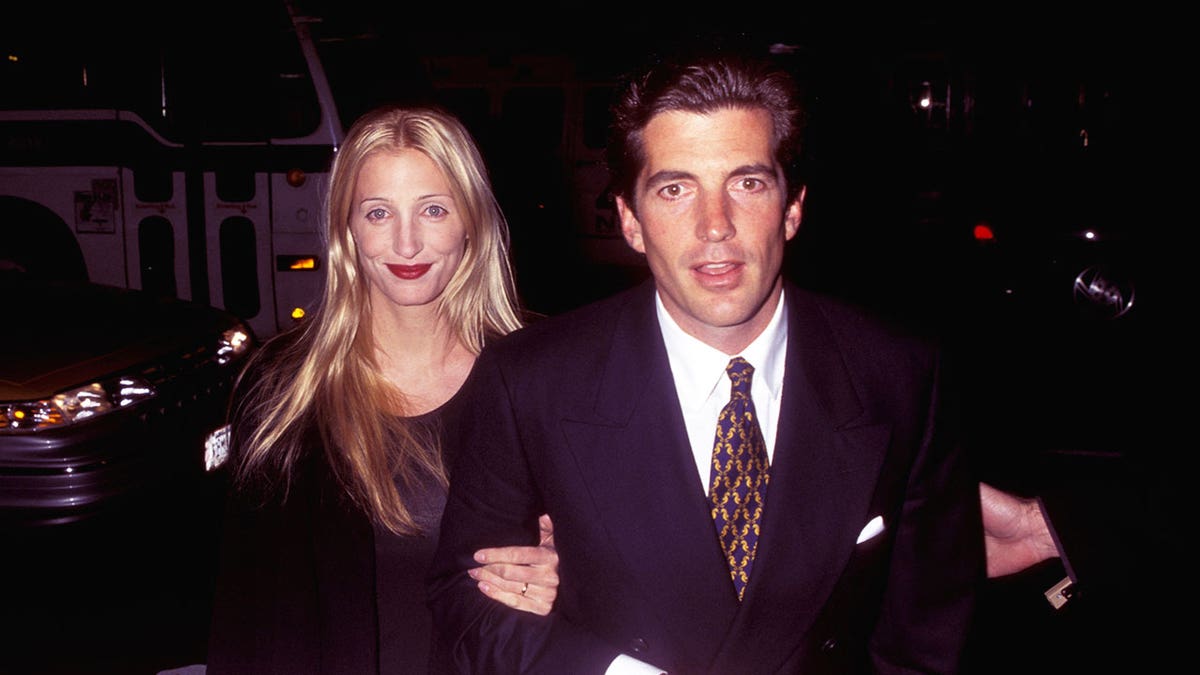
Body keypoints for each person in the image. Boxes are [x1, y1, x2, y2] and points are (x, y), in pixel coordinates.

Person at [428, 44, 982, 674]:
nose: (715, 224)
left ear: (792, 207)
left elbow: (928, 637)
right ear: (630, 221)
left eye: (747, 183)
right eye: (674, 189)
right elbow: (465, 606)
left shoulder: (901, 374)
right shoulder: (530, 381)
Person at [206, 105, 559, 674]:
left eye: (434, 210)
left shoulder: (548, 372)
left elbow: (628, 569)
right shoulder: (283, 387)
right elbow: (246, 611)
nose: (406, 243)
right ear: (347, 228)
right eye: (378, 213)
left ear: (471, 219)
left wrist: (567, 569)